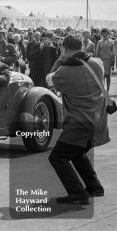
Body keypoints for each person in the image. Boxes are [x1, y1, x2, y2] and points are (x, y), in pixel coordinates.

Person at [47, 35, 109, 204]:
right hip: (98, 120)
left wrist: (60, 59)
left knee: (57, 158)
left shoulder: (65, 71)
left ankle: (77, 193)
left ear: (64, 48)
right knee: (77, 152)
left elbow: (49, 80)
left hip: (79, 123)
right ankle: (94, 187)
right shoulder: (97, 63)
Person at [95, 28, 114, 92]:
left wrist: (113, 61)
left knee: (108, 76)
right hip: (101, 61)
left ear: (108, 33)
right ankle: (102, 89)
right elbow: (97, 52)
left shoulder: (112, 41)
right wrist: (97, 60)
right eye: (103, 33)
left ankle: (108, 90)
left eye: (106, 33)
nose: (104, 34)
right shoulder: (99, 42)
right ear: (102, 34)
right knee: (101, 75)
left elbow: (113, 52)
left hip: (108, 61)